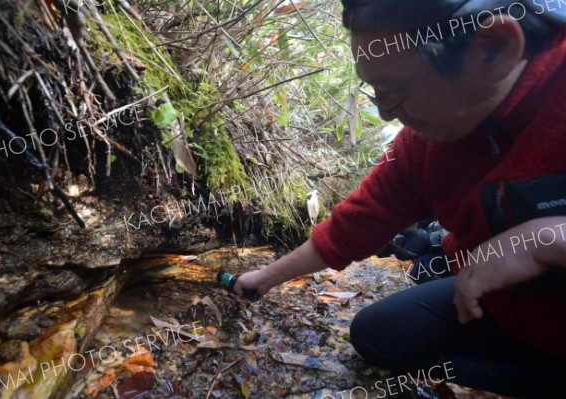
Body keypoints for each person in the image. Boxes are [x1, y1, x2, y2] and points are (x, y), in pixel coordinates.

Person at [235, 0, 566, 397]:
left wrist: (546, 241)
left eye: (394, 91)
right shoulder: (425, 143)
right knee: (379, 335)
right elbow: (354, 224)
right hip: (504, 310)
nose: (387, 115)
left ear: (492, 48)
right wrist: (265, 279)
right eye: (374, 92)